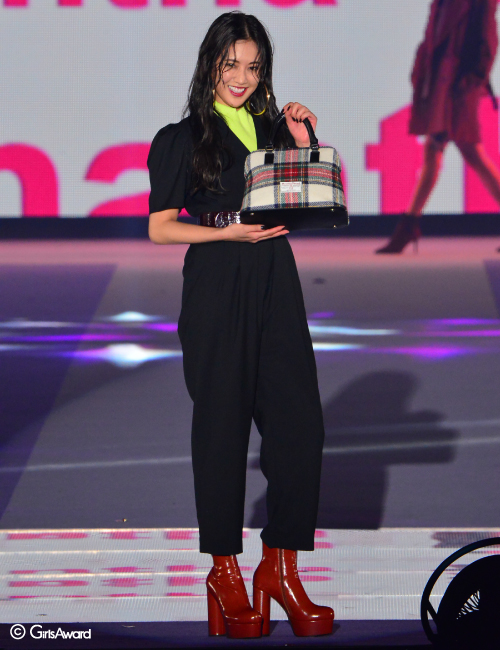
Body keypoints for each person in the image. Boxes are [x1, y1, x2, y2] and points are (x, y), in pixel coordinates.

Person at [147, 12, 334, 640]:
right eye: (232, 65)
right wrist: (226, 233)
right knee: (222, 428)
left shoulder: (274, 127)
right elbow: (161, 227)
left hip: (276, 278)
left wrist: (303, 141)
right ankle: (224, 571)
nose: (242, 78)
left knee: (300, 426)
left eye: (253, 67)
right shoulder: (181, 138)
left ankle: (279, 569)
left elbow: (310, 199)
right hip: (217, 283)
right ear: (211, 65)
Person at [377, 0, 499, 254]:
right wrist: (420, 72)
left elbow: (487, 41)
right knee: (448, 153)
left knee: (460, 152)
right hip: (440, 88)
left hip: (457, 90)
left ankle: (408, 227)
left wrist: (472, 81)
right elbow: (431, 39)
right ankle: (408, 226)